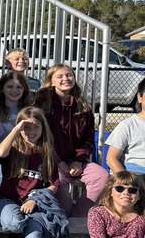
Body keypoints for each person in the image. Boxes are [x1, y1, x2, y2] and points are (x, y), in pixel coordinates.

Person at [0, 107, 67, 238]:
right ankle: (34, 224)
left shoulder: (47, 153)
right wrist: (16, 129)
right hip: (9, 200)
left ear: (43, 128)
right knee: (14, 224)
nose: (31, 131)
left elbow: (53, 185)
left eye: (36, 127)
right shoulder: (14, 149)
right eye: (26, 127)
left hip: (35, 205)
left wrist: (34, 199)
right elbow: (0, 153)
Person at [34, 64, 108, 215]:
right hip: (50, 161)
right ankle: (67, 215)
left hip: (76, 162)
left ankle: (78, 216)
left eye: (69, 75)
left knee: (102, 176)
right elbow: (39, 138)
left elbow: (88, 138)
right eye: (60, 76)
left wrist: (79, 161)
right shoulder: (41, 105)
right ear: (51, 81)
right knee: (63, 200)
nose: (66, 79)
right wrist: (57, 161)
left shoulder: (83, 106)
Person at [105, 77, 145, 175]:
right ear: (140, 97)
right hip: (134, 175)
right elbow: (111, 159)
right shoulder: (128, 125)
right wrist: (126, 180)